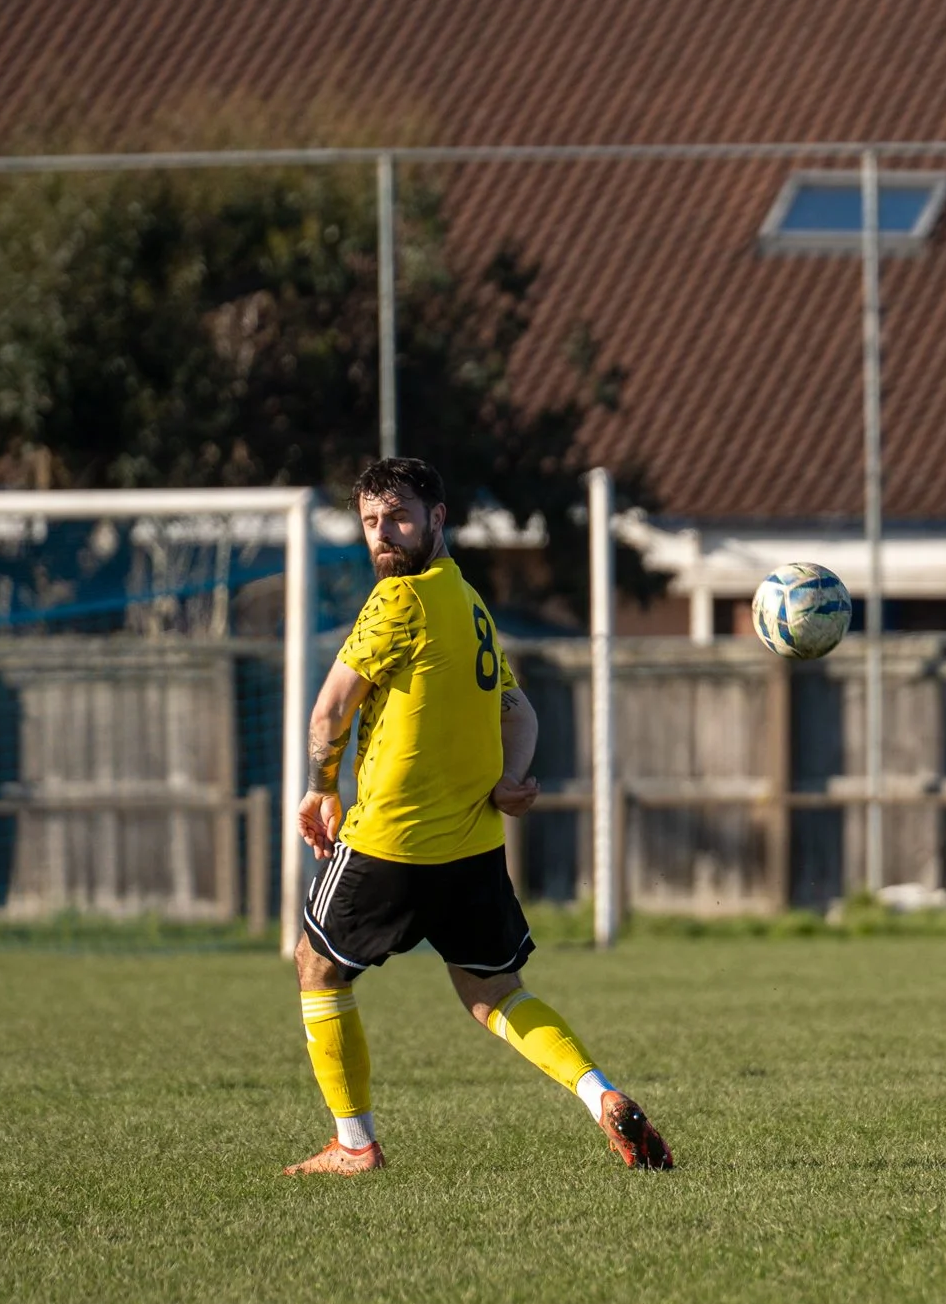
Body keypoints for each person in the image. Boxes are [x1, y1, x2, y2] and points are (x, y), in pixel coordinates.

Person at [285, 457, 672, 1175]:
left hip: (390, 840)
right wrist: (511, 778)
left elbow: (330, 706)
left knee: (316, 966)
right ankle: (602, 1094)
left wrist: (317, 787)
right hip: (470, 845)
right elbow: (518, 708)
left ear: (439, 516)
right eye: (371, 522)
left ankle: (353, 1143)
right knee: (494, 992)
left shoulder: (399, 601)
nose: (383, 535)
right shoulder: (469, 603)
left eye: (398, 516)